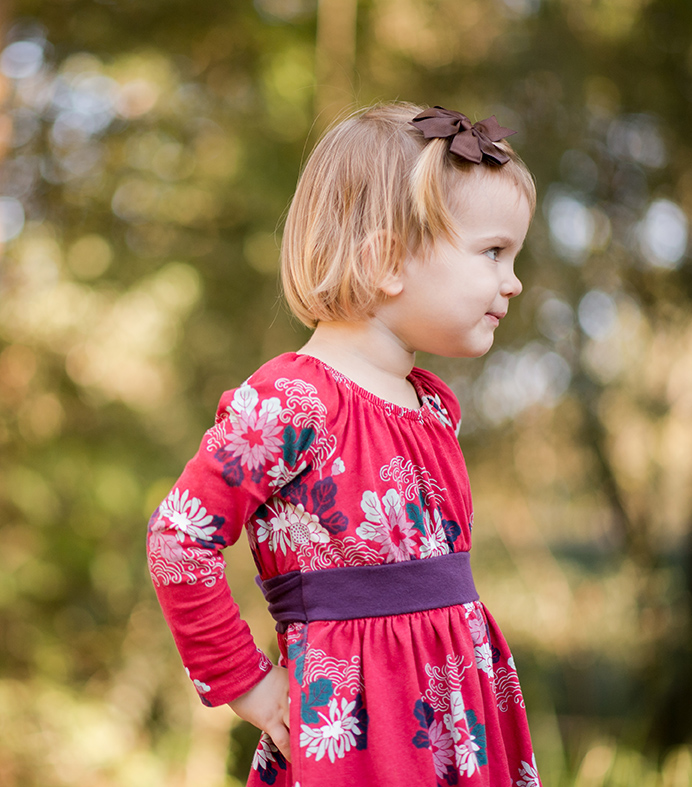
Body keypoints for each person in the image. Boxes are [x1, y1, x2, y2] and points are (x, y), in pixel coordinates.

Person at [146, 102, 540, 786]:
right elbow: (178, 538)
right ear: (387, 258)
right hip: (357, 734)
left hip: (457, 716)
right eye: (492, 252)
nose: (512, 280)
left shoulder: (432, 407)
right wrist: (249, 684)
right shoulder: (291, 400)